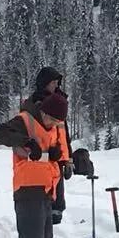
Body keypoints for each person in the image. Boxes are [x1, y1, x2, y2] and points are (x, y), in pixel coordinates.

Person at [0, 92, 70, 238]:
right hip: (27, 189)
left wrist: (56, 156)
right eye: (50, 119)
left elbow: (43, 156)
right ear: (43, 111)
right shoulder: (25, 120)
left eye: (56, 121)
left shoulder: (52, 127)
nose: (52, 124)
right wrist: (25, 141)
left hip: (45, 190)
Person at [21, 67, 73, 224]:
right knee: (42, 198)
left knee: (56, 208)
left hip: (57, 156)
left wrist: (67, 159)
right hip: (40, 157)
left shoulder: (59, 103)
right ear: (44, 83)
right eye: (53, 83)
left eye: (57, 83)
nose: (56, 86)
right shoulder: (35, 103)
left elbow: (64, 135)